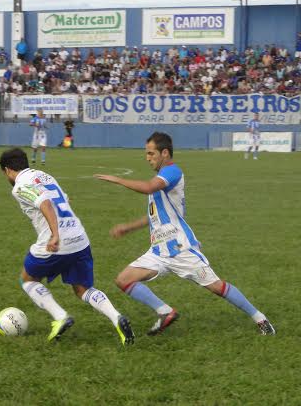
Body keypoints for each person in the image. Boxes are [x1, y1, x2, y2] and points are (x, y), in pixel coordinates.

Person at [95, 132, 275, 336]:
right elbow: (155, 216)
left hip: (181, 248)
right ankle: (166, 312)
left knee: (216, 286)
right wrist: (129, 227)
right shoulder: (161, 179)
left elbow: (147, 188)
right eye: (146, 153)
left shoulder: (172, 172)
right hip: (159, 251)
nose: (147, 158)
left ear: (165, 153)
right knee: (124, 279)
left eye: (151, 153)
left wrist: (118, 180)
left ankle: (260, 319)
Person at [0, 147, 135, 345]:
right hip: (79, 238)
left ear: (8, 170)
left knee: (27, 279)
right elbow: (65, 197)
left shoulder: (20, 186)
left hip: (57, 242)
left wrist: (54, 234)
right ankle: (117, 318)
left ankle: (60, 316)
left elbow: (44, 202)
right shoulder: (44, 176)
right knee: (82, 289)